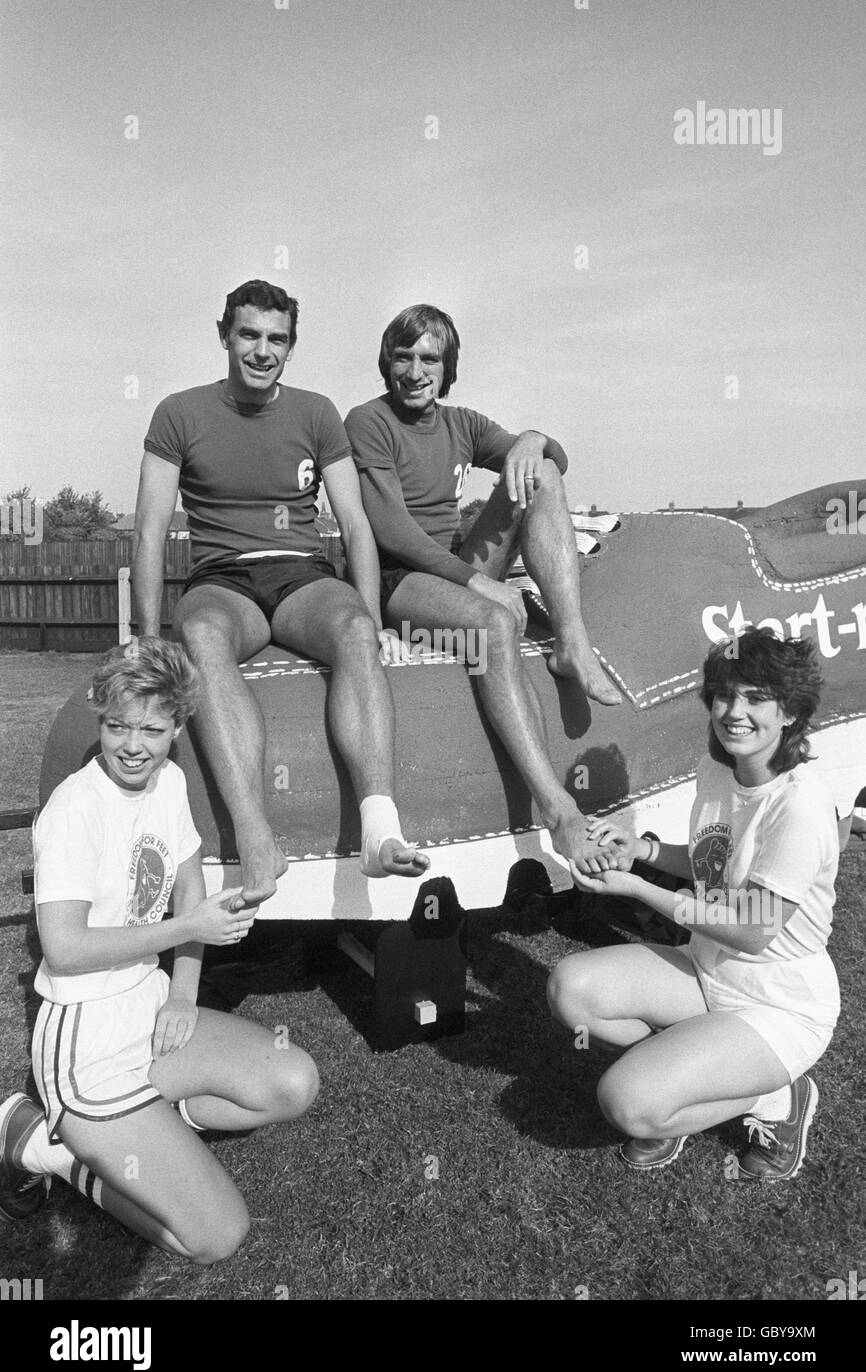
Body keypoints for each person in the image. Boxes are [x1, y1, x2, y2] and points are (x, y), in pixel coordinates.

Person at [0, 639, 318, 1261]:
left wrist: (182, 995)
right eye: (117, 726)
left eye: (152, 729)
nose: (133, 745)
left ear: (178, 726)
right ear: (100, 718)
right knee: (215, 1238)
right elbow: (63, 949)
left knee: (292, 1081)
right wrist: (186, 929)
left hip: (147, 1004)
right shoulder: (74, 809)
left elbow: (189, 889)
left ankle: (146, 1128)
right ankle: (43, 1147)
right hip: (86, 1042)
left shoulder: (169, 781)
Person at [133, 279, 429, 908]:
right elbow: (151, 530)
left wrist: (372, 616)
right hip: (224, 579)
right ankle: (254, 835)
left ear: (291, 346)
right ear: (224, 335)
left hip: (301, 574)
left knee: (354, 628)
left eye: (277, 338)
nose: (263, 351)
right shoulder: (178, 413)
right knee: (200, 634)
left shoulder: (316, 413)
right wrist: (146, 639)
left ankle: (380, 827)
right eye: (249, 335)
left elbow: (355, 524)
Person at [547, 629, 840, 1180]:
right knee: (572, 989)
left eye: (756, 699)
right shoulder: (718, 770)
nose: (734, 712)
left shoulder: (799, 806)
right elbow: (714, 859)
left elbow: (752, 930)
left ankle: (777, 1096)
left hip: (778, 1004)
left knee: (626, 1104)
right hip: (707, 970)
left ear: (790, 713)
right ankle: (691, 1074)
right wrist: (642, 851)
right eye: (725, 696)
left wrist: (640, 888)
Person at [344, 304, 622, 872]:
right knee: (494, 623)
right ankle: (560, 811)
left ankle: (571, 642)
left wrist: (533, 439)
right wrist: (478, 584)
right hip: (399, 582)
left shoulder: (463, 424)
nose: (416, 372)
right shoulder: (368, 421)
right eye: (404, 357)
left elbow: (557, 459)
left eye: (430, 359)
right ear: (387, 362)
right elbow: (391, 530)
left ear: (447, 367)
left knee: (542, 472)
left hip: (448, 568)